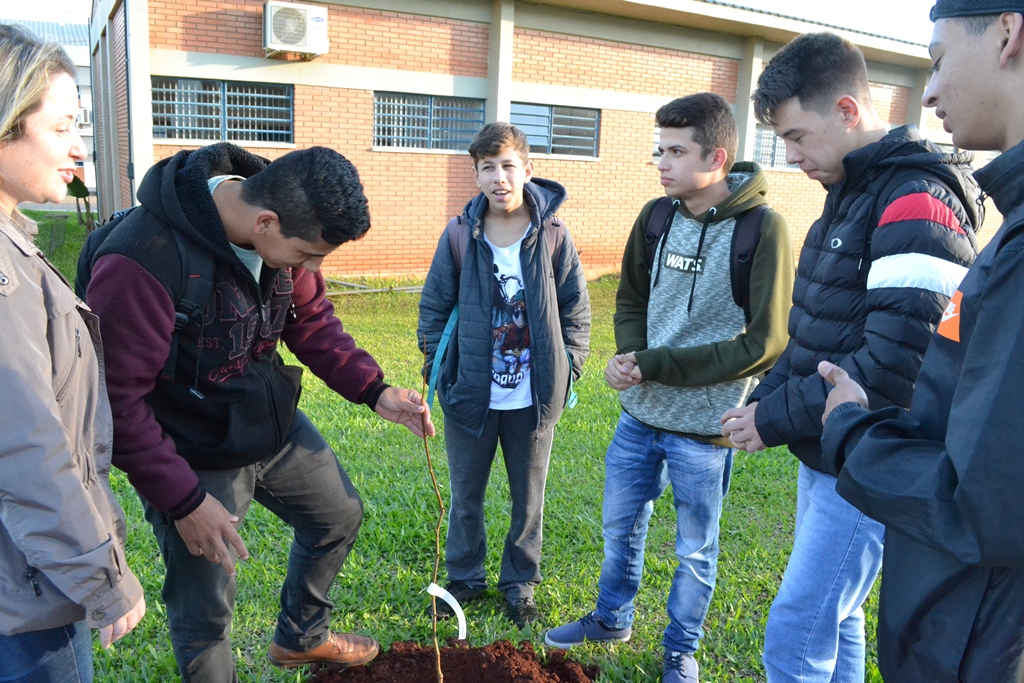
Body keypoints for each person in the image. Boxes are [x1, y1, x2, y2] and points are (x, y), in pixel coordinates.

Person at [79, 142, 435, 682]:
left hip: (264, 419)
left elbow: (310, 319)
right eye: (306, 254)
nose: (312, 268)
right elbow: (115, 400)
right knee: (205, 610)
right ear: (266, 222)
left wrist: (374, 389)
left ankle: (301, 638)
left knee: (337, 515)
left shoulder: (283, 225)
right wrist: (185, 501)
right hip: (189, 451)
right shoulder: (143, 259)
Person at [719, 31, 982, 683]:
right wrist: (764, 400)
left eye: (797, 136)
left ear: (845, 110)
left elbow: (896, 365)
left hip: (871, 446)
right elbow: (814, 332)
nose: (791, 156)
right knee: (837, 618)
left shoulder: (914, 200)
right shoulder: (848, 197)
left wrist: (774, 417)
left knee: (796, 632)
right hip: (830, 448)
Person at [545, 93, 795, 683]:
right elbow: (631, 297)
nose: (662, 163)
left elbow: (765, 343)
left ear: (717, 156)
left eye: (677, 152)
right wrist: (628, 355)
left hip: (706, 431)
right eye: (659, 150)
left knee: (695, 550)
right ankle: (611, 619)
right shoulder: (657, 216)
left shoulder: (763, 228)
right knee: (619, 530)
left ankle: (680, 650)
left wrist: (656, 363)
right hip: (638, 416)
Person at [816, 2, 1024, 681]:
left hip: (976, 638)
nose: (929, 92)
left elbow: (976, 507)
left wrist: (851, 428)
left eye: (937, 60)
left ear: (1007, 33)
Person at [0, 24, 145, 683]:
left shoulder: (16, 245)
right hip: (27, 596)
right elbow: (26, 446)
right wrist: (100, 576)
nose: (78, 147)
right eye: (61, 128)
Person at [417, 122, 590, 628]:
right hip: (470, 392)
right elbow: (433, 307)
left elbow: (576, 309)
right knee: (466, 496)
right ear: (475, 174)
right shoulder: (459, 234)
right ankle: (465, 578)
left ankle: (520, 583)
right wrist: (439, 369)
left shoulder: (553, 235)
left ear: (528, 170)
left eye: (509, 165)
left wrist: (568, 369)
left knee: (528, 499)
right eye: (488, 167)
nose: (499, 177)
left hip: (532, 397)